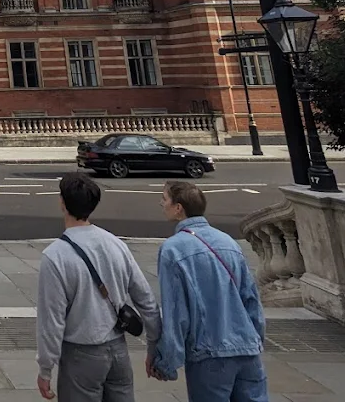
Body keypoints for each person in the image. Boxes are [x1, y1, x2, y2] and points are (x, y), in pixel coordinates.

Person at [36, 172, 161, 401]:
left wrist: (46, 368)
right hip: (118, 350)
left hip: (80, 354)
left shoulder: (55, 257)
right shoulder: (116, 244)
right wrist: (154, 344)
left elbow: (52, 321)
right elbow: (146, 299)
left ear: (62, 203)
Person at [149, 180, 267, 401]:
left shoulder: (172, 249)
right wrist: (256, 339)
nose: (161, 203)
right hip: (247, 349)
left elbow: (176, 313)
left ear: (178, 208)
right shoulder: (229, 242)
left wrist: (167, 362)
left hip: (209, 354)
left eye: (164, 199)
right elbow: (251, 299)